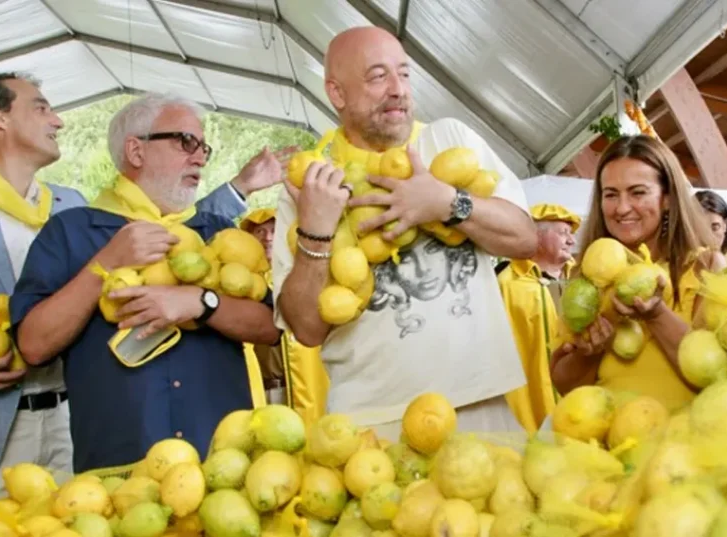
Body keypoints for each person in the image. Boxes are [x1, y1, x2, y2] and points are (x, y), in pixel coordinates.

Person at [0, 75, 270, 493]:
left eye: (203, 147)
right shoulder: (72, 229)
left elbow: (272, 326)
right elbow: (33, 344)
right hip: (112, 473)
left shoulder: (215, 230)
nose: (199, 157)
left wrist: (202, 300)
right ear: (135, 150)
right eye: (184, 141)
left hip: (224, 464)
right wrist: (105, 264)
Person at [271, 26, 536, 440]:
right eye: (378, 77)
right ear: (337, 93)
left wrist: (448, 202)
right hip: (371, 425)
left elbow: (524, 238)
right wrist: (316, 233)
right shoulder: (312, 183)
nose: (398, 89)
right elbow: (306, 329)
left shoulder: (447, 139)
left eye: (404, 74)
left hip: (481, 405)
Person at [549, 135, 724, 411]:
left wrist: (655, 315)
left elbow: (715, 376)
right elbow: (565, 386)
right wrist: (590, 353)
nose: (621, 208)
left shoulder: (707, 267)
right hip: (609, 444)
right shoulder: (590, 277)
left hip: (684, 446)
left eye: (638, 192)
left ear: (667, 198)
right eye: (611, 194)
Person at [240, 208, 329, 421]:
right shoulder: (242, 283)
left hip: (310, 389)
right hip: (263, 391)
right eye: (259, 232)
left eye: (273, 230)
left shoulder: (306, 277)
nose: (267, 237)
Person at [497, 204, 579, 433]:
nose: (572, 241)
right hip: (528, 408)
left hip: (582, 402)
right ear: (537, 236)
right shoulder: (508, 283)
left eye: (571, 234)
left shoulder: (583, 277)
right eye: (563, 233)